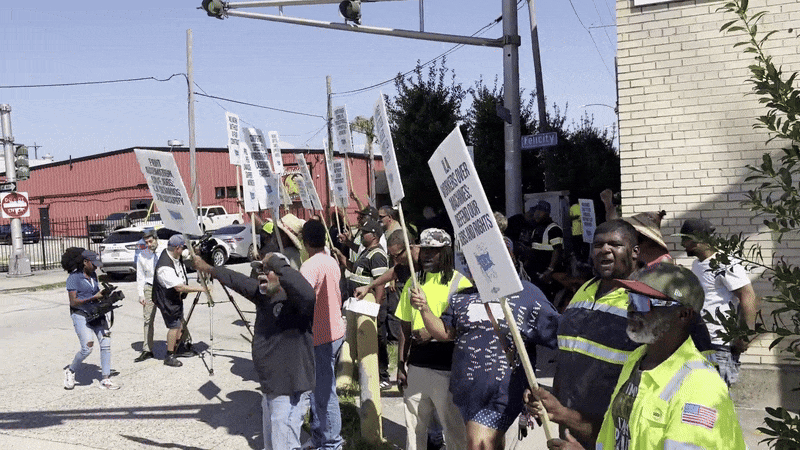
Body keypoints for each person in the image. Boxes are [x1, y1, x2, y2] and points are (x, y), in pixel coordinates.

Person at [527, 263, 747, 450]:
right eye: (631, 300)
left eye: (644, 303)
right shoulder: (636, 362)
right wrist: (563, 414)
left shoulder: (699, 387)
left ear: (683, 314)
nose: (631, 310)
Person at [411, 272, 560, 449]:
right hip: (466, 394)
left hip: (502, 393)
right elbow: (445, 332)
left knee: (478, 444)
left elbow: (559, 334)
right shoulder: (461, 296)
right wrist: (424, 308)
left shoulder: (526, 293)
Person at [192, 252, 316, 450]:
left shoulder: (297, 303)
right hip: (270, 388)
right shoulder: (263, 295)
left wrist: (277, 264)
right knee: (272, 445)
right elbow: (236, 279)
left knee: (283, 445)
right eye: (260, 271)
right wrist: (209, 268)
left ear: (283, 275)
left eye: (268, 272)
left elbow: (308, 293)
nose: (261, 276)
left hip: (288, 388)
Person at [549, 219, 641, 447]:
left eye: (615, 244)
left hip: (614, 430)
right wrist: (555, 402)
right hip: (572, 424)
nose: (605, 250)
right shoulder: (585, 289)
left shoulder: (644, 301)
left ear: (634, 252)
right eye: (598, 245)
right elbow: (567, 353)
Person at [394, 228, 473, 450]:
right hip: (417, 367)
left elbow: (461, 329)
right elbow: (404, 327)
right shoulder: (414, 281)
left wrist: (432, 330)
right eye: (424, 249)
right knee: (414, 429)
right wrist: (401, 365)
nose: (427, 255)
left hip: (447, 368)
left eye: (434, 251)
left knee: (454, 431)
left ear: (446, 252)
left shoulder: (461, 284)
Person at [681, 218, 758, 386]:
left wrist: (744, 336)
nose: (682, 244)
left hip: (719, 345)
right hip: (700, 340)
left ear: (698, 239)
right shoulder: (697, 264)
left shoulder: (725, 263)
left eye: (685, 239)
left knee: (718, 397)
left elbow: (747, 295)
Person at [300, 219, 345, 450]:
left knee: (325, 394)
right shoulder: (331, 260)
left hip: (321, 336)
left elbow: (301, 299)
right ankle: (320, 438)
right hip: (334, 332)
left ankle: (332, 444)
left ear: (305, 241)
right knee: (319, 392)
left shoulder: (309, 266)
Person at [333, 218, 390, 388]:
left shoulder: (378, 255)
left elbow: (379, 283)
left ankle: (382, 375)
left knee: (377, 339)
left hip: (370, 305)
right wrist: (342, 258)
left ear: (374, 235)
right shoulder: (366, 252)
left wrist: (376, 308)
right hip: (359, 303)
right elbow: (355, 270)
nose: (362, 236)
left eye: (365, 233)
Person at [63, 250, 119, 390]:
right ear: (85, 262)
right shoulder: (73, 278)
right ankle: (71, 371)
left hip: (96, 312)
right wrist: (94, 298)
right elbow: (73, 302)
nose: (96, 268)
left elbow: (95, 293)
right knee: (87, 347)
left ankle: (105, 379)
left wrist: (107, 296)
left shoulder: (93, 275)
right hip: (80, 314)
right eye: (93, 264)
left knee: (106, 342)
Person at [152, 234, 206, 367]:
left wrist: (196, 252)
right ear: (177, 248)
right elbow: (179, 287)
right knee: (174, 326)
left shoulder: (174, 254)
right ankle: (169, 355)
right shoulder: (165, 267)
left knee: (180, 322)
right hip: (166, 299)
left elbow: (187, 254)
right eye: (182, 248)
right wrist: (201, 289)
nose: (183, 251)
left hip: (175, 298)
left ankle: (179, 347)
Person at [517, 200, 564, 301]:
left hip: (545, 275)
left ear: (547, 213)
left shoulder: (554, 229)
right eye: (536, 211)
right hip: (535, 273)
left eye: (540, 211)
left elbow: (558, 250)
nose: (537, 214)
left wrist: (550, 270)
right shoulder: (537, 229)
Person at [134, 228, 158, 362]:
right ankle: (147, 349)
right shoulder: (142, 255)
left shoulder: (164, 250)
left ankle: (184, 342)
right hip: (150, 287)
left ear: (156, 239)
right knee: (148, 319)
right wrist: (141, 294)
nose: (149, 244)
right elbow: (140, 276)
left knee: (175, 315)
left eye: (151, 241)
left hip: (165, 287)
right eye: (146, 242)